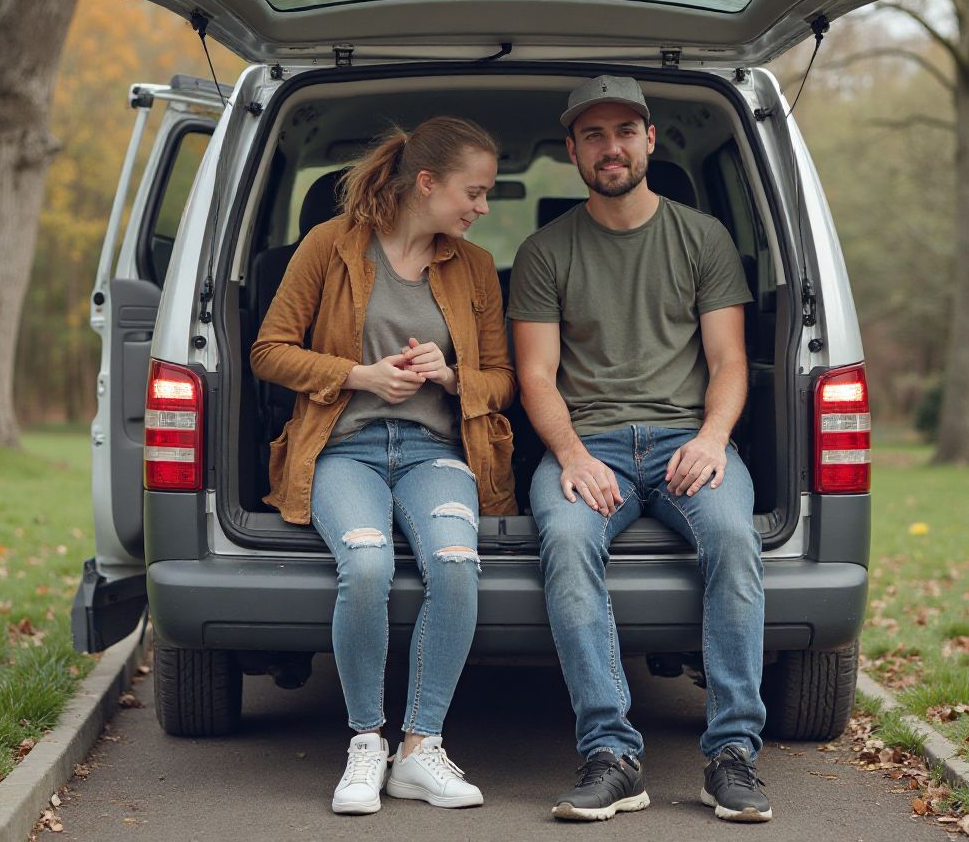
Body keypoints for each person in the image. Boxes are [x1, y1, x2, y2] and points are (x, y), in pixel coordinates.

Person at [508, 75, 771, 824]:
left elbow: (727, 363)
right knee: (563, 540)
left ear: (650, 139)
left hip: (689, 440)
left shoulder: (703, 238)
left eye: (625, 130)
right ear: (573, 151)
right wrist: (572, 456)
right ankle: (612, 754)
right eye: (593, 135)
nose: (610, 146)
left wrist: (714, 438)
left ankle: (732, 757)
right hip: (588, 446)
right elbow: (536, 375)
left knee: (731, 538)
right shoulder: (544, 251)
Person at [251, 116, 516, 815]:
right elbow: (269, 350)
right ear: (426, 184)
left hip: (436, 453)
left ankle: (419, 750)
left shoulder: (476, 268)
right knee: (366, 564)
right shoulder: (329, 247)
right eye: (476, 192)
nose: (483, 208)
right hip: (343, 451)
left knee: (457, 563)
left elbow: (503, 379)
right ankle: (365, 745)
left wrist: (453, 376)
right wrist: (360, 376)